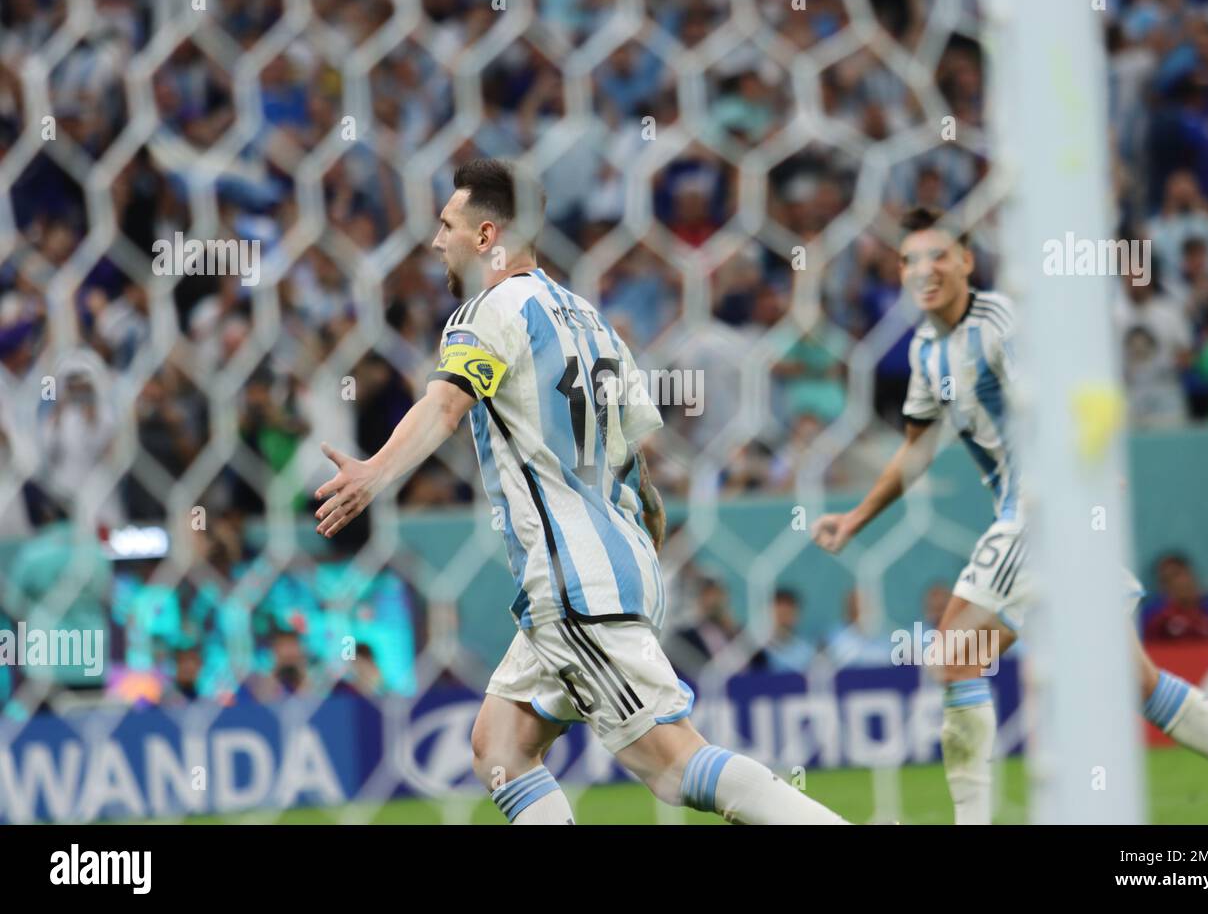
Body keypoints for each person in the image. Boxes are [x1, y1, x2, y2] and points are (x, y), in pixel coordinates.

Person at [313, 158, 846, 824]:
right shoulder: (590, 320)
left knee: (675, 765)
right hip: (606, 568)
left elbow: (446, 406)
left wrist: (373, 471)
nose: (434, 241)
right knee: (499, 748)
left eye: (446, 225)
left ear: (486, 236)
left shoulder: (489, 311)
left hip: (573, 582)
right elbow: (638, 468)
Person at [811, 207, 1208, 824]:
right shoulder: (925, 353)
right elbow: (916, 447)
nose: (923, 270)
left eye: (938, 255)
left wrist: (1084, 470)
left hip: (1040, 507)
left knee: (955, 653)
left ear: (965, 260)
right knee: (1135, 681)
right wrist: (857, 517)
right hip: (1052, 517)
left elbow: (1052, 397)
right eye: (910, 260)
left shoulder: (998, 323)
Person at [1140, 553, 1208, 641]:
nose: (1176, 583)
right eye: (1166, 580)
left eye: (1177, 575)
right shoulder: (1152, 615)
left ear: (1192, 576)